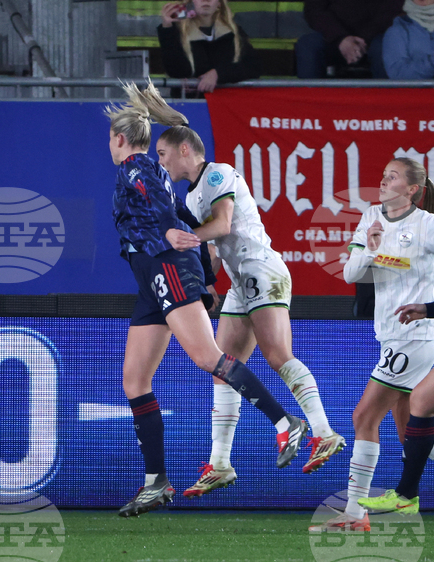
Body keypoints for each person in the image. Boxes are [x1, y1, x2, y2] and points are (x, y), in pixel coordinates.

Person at [107, 81, 307, 518]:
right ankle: (156, 482)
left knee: (208, 358)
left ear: (119, 139)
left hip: (164, 271)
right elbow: (181, 214)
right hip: (153, 281)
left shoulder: (136, 169)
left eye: (111, 138)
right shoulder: (153, 170)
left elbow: (164, 213)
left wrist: (174, 245)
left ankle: (285, 422)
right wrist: (206, 274)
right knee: (134, 381)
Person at [312, 158, 434, 532]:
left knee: (364, 416)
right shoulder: (371, 216)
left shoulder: (432, 225)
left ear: (413, 188)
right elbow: (352, 272)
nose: (383, 181)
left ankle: (355, 513)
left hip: (417, 336)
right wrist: (372, 249)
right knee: (411, 428)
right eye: (382, 174)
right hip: (392, 330)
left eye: (392, 176)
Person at [155, 127, 345, 497]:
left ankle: (323, 432)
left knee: (277, 355)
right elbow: (212, 248)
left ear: (183, 150)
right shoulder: (192, 197)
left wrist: (188, 238)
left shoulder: (216, 173)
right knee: (222, 369)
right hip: (239, 280)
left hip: (260, 267)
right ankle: (220, 464)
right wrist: (206, 282)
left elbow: (223, 225)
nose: (160, 161)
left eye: (163, 153)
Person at [157, 0, 260, 93]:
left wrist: (217, 74)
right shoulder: (178, 31)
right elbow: (176, 71)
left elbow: (254, 66)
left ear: (219, 2)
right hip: (191, 105)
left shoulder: (233, 31)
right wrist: (167, 27)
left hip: (224, 103)